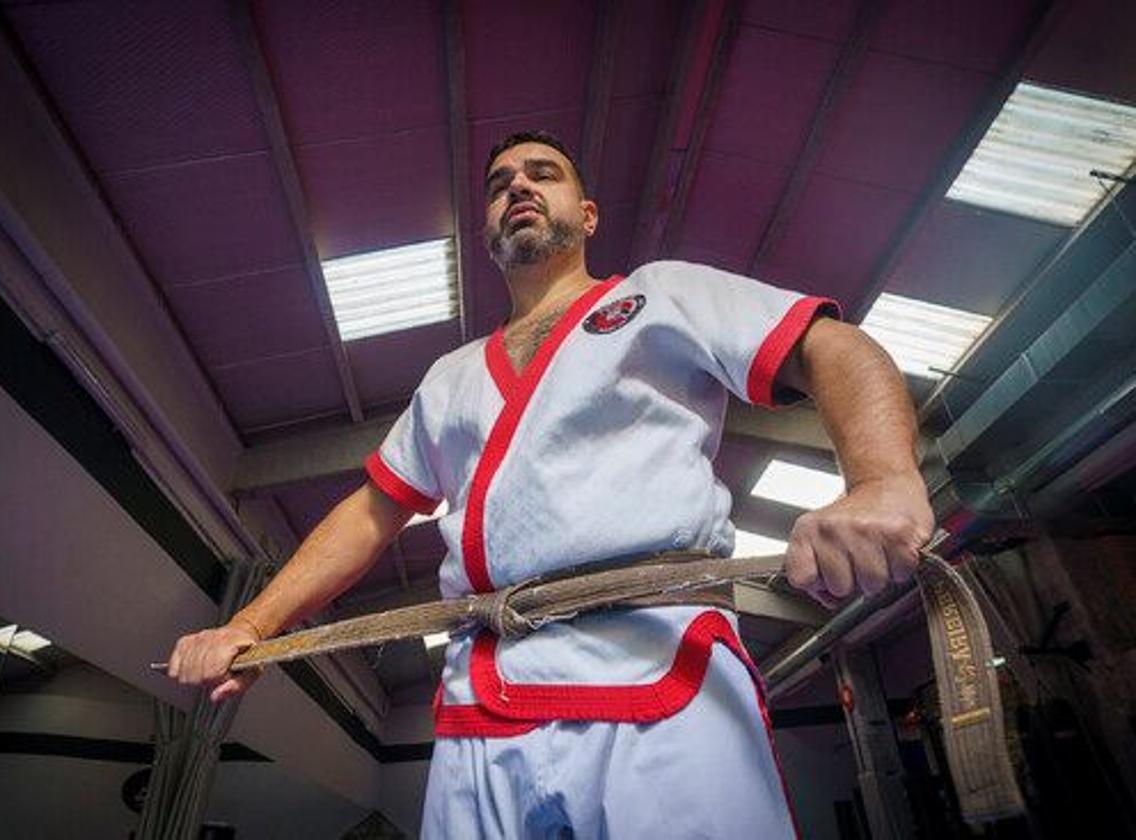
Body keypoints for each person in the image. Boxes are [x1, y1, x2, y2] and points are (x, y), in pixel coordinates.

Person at [166, 130, 935, 838]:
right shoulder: (449, 377)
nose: (519, 187)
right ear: (487, 233)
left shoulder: (661, 295)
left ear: (589, 213)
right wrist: (253, 625)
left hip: (662, 664)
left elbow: (833, 349)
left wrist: (880, 481)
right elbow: (371, 512)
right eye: (501, 182)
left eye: (544, 174)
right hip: (484, 693)